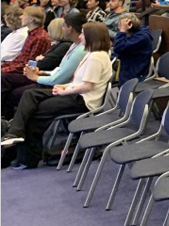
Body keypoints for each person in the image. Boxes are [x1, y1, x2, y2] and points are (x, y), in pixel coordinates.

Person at [2, 22, 114, 169]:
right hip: (76, 93)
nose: (80, 36)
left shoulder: (96, 57)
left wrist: (65, 90)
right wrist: (64, 86)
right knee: (30, 95)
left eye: (82, 34)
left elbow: (88, 86)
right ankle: (14, 134)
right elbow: (80, 81)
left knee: (35, 112)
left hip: (82, 100)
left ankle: (27, 157)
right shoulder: (93, 54)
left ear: (90, 36)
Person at [0, 7, 50, 77]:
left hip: (25, 73)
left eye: (24, 15)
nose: (21, 17)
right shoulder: (31, 34)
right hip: (20, 68)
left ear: (31, 20)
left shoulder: (39, 37)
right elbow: (20, 59)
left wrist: (4, 69)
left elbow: (28, 64)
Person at [111, 13, 155, 85]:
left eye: (121, 25)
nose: (119, 28)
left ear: (129, 25)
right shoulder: (132, 34)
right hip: (126, 67)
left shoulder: (142, 37)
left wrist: (122, 31)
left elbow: (119, 48)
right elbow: (117, 51)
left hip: (134, 73)